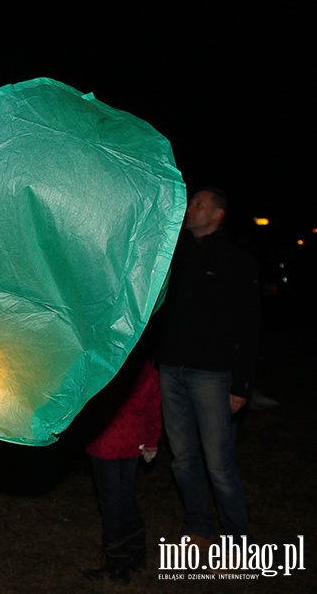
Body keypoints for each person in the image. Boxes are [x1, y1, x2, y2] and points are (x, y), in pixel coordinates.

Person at [153, 187, 259, 551]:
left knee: (218, 463)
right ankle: (199, 525)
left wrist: (241, 384)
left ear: (217, 215)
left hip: (211, 376)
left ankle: (236, 540)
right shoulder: (174, 256)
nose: (190, 209)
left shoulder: (236, 262)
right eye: (191, 203)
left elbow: (249, 326)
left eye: (199, 204)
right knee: (182, 459)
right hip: (170, 370)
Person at [82, 342, 162, 585]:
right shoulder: (147, 371)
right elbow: (153, 411)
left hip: (106, 444)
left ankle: (118, 567)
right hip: (132, 444)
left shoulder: (105, 369)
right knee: (125, 498)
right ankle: (137, 556)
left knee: (111, 503)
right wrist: (151, 441)